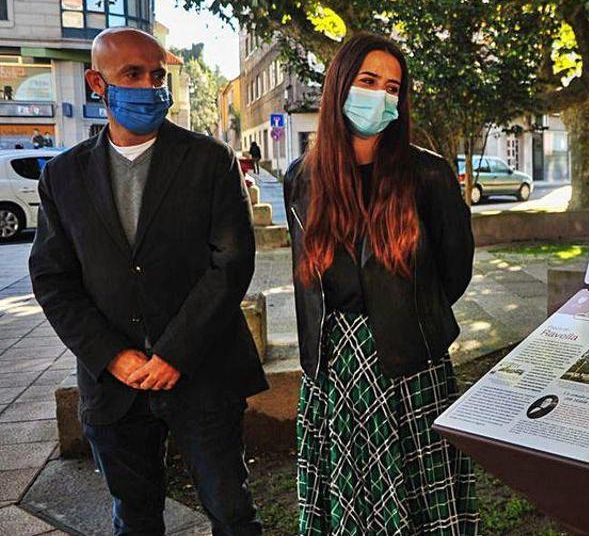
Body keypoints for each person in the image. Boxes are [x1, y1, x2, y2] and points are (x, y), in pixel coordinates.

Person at [28, 28, 266, 535]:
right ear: (97, 82)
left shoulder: (209, 160)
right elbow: (53, 279)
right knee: (134, 519)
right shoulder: (64, 176)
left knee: (232, 512)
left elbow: (232, 261)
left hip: (204, 375)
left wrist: (174, 353)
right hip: (115, 388)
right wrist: (114, 356)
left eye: (157, 75)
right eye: (131, 75)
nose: (150, 86)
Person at [284, 32, 478, 535]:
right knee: (344, 498)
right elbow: (306, 275)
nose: (382, 97)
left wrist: (404, 315)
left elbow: (453, 273)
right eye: (369, 81)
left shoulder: (428, 175)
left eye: (393, 87)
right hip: (332, 363)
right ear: (339, 84)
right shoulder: (301, 177)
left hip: (410, 360)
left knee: (419, 497)